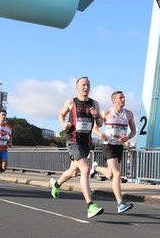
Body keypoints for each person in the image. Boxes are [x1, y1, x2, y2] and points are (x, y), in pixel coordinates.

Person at [49, 76, 104, 218]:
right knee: (85, 169)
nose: (86, 87)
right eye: (83, 85)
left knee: (73, 172)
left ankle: (56, 184)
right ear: (77, 87)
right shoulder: (71, 102)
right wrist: (63, 124)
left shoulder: (94, 104)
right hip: (73, 140)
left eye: (88, 85)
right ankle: (90, 205)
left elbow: (100, 124)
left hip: (86, 143)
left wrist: (96, 115)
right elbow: (61, 115)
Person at [90, 90, 136, 214]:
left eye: (124, 97)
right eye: (121, 97)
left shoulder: (129, 114)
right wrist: (101, 134)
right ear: (114, 100)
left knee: (110, 175)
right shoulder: (106, 113)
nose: (124, 99)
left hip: (119, 146)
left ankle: (95, 168)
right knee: (117, 174)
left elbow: (133, 131)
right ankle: (120, 203)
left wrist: (128, 137)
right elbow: (95, 128)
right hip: (108, 145)